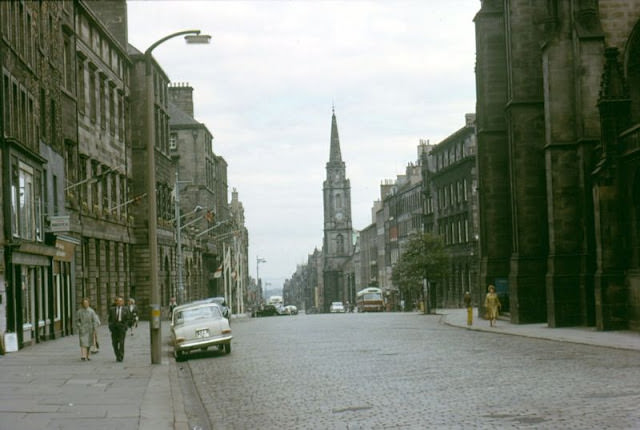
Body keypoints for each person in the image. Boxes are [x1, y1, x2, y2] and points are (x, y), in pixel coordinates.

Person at [108, 296, 132, 362]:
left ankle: (121, 356)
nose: (119, 302)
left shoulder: (126, 309)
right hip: (114, 328)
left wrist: (125, 327)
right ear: (116, 302)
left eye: (121, 301)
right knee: (114, 343)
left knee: (121, 342)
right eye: (118, 301)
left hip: (122, 327)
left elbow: (128, 319)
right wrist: (110, 326)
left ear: (123, 302)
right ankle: (117, 354)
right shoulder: (112, 309)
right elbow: (109, 319)